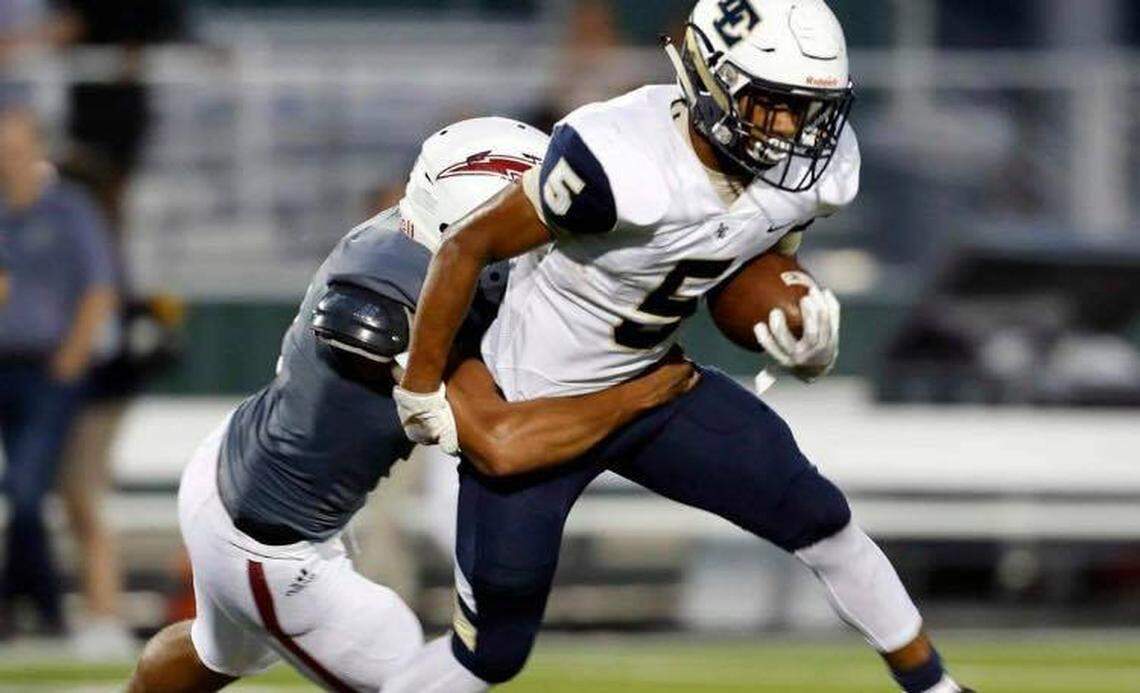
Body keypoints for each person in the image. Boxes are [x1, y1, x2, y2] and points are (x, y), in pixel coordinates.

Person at [393, 2, 974, 692]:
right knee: (492, 654)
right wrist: (421, 382)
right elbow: (469, 243)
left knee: (821, 517)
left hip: (653, 388)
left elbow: (756, 264)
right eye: (773, 105)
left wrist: (798, 320)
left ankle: (936, 687)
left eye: (809, 109)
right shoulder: (616, 159)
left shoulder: (811, 170)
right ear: (711, 81)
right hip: (534, 404)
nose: (793, 129)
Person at [126, 117, 697, 693]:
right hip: (266, 544)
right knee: (420, 680)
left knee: (212, 657)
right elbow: (501, 445)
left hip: (234, 470)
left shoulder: (407, 239)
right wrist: (641, 393)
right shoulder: (388, 303)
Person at [0, 105, 118, 638]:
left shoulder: (70, 209)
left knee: (26, 489)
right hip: (4, 364)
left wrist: (71, 357)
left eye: (15, 148)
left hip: (50, 370)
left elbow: (99, 285)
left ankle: (33, 605)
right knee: (24, 494)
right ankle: (40, 606)